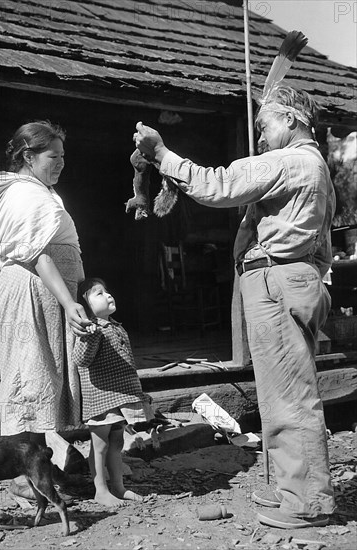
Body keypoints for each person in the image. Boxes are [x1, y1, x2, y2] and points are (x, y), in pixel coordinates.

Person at [133, 85, 336, 529]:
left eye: (264, 126)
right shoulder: (312, 165)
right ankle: (293, 488)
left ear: (292, 120)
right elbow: (323, 243)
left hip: (278, 282)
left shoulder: (291, 161)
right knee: (282, 393)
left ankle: (306, 502)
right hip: (289, 278)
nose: (260, 137)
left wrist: (162, 153)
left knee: (288, 398)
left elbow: (216, 184)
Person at [0, 121, 92, 477]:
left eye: (63, 156)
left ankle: (30, 472)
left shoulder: (36, 189)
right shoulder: (27, 194)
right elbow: (37, 254)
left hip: (42, 292)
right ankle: (17, 475)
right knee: (29, 384)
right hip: (31, 291)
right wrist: (69, 301)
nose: (61, 163)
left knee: (39, 382)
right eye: (53, 156)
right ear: (29, 156)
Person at [74, 277, 153, 507]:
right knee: (100, 445)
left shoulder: (116, 326)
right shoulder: (89, 330)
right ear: (85, 306)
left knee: (117, 443)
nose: (108, 295)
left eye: (107, 291)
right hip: (100, 398)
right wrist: (90, 335)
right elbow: (81, 359)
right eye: (98, 293)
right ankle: (101, 490)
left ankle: (118, 487)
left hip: (120, 397)